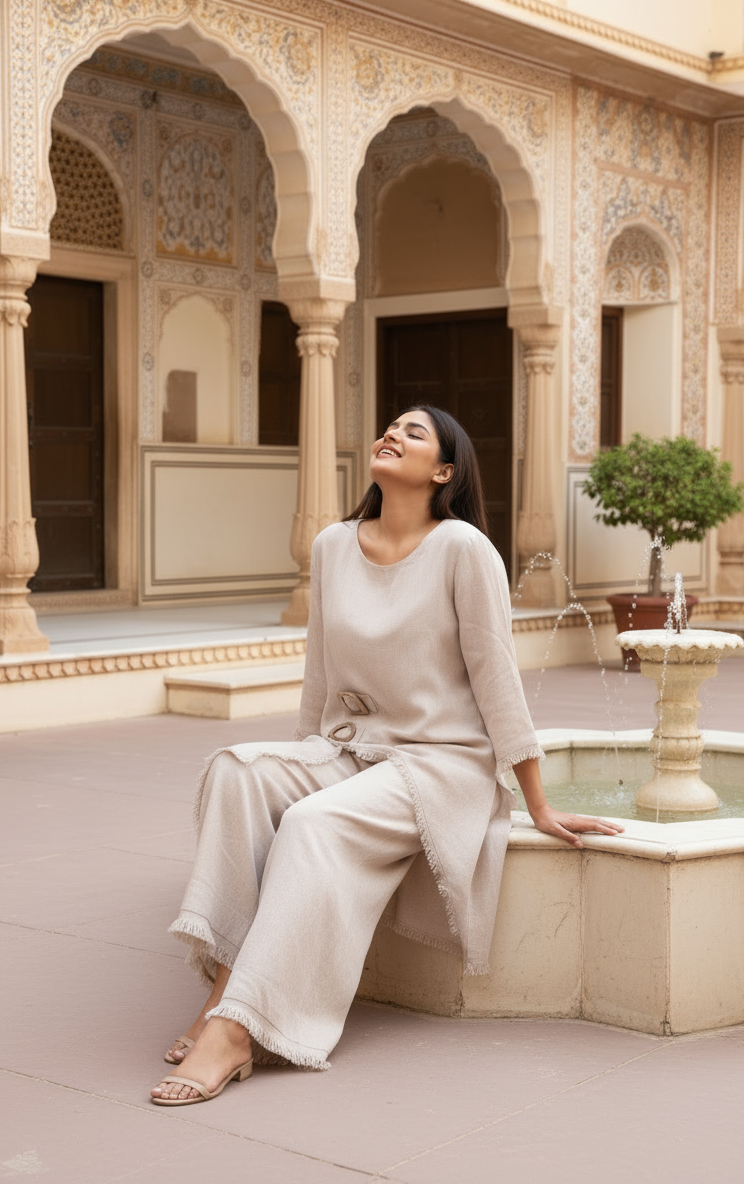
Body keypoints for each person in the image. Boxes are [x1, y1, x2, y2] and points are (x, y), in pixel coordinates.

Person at [151, 405, 624, 1106]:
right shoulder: (332, 546)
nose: (391, 434)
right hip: (348, 750)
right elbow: (320, 673)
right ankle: (228, 991)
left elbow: (498, 680)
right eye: (390, 426)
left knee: (314, 825)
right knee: (235, 770)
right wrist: (298, 756)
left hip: (440, 766)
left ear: (443, 471)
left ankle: (238, 1032)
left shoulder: (464, 548)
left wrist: (536, 800)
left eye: (413, 432)